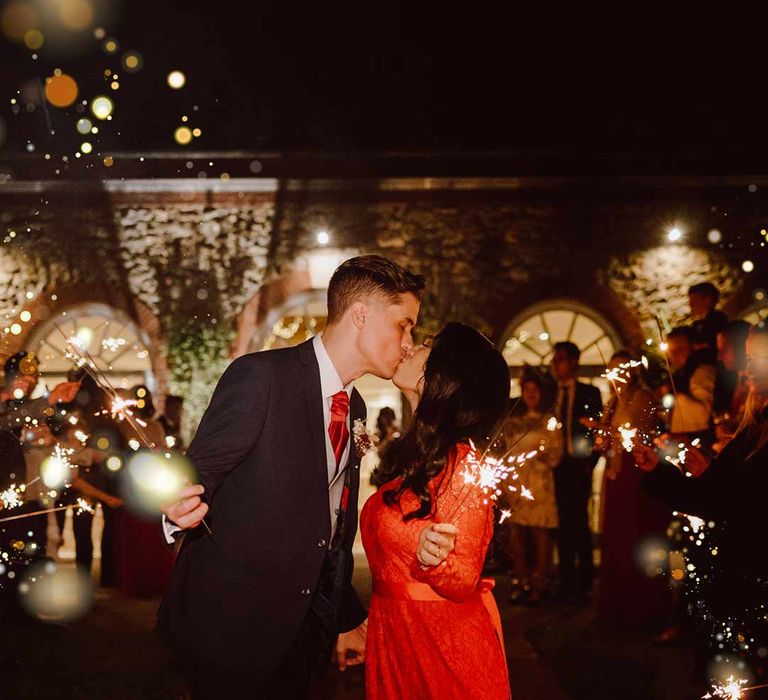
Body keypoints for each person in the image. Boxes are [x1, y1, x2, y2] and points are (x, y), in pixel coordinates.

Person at [157, 255, 425, 699]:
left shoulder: (355, 408)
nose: (408, 340)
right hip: (228, 632)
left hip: (302, 637)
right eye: (403, 324)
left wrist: (342, 616)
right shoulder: (261, 377)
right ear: (361, 314)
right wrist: (173, 507)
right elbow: (196, 472)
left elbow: (330, 531)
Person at [363, 322, 511, 699]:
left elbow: (463, 578)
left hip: (444, 654)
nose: (413, 345)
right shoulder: (412, 454)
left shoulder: (463, 466)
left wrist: (435, 557)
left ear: (447, 375)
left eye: (429, 344)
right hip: (399, 641)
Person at [634, 322, 768, 683]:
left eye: (759, 359)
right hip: (737, 586)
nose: (747, 369)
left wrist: (713, 480)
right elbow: (717, 498)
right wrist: (660, 470)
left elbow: (740, 503)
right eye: (750, 358)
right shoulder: (754, 425)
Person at [596, 351, 671, 631]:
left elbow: (637, 436)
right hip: (616, 474)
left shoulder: (641, 397)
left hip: (633, 474)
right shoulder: (614, 400)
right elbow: (607, 437)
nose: (618, 374)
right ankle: (616, 609)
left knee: (632, 534)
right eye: (612, 369)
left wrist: (611, 436)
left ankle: (638, 610)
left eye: (622, 368)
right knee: (615, 537)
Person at [550, 341, 603, 603]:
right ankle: (564, 578)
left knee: (579, 521)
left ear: (573, 362)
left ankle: (584, 581)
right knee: (559, 522)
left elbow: (598, 432)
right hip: (554, 465)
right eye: (555, 359)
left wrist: (589, 463)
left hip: (577, 464)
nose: (556, 364)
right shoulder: (551, 393)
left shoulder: (589, 393)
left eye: (561, 359)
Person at [504, 368, 561, 605]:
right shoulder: (513, 422)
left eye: (535, 391)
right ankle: (521, 580)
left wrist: (541, 458)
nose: (530, 394)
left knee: (540, 534)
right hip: (517, 484)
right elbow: (505, 452)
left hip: (540, 485)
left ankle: (540, 582)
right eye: (527, 390)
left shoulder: (549, 421)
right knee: (517, 534)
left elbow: (556, 454)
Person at [115, 385, 175, 597]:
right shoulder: (122, 426)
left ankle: (156, 580)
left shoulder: (155, 426)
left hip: (152, 485)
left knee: (152, 533)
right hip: (133, 486)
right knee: (136, 534)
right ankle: (137, 581)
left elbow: (164, 452)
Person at [664, 326, 717, 441]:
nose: (674, 354)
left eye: (680, 349)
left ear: (692, 347)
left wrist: (677, 395)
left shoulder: (702, 371)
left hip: (700, 440)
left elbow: (703, 413)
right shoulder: (681, 374)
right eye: (671, 351)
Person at [688, 282, 728, 352]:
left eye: (694, 300)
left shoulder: (718, 318)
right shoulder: (695, 325)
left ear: (707, 300)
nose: (690, 305)